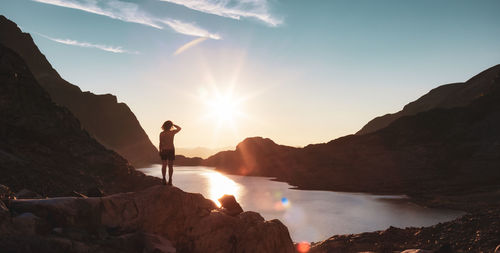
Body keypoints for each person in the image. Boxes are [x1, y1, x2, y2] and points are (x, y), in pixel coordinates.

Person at [159, 120, 181, 185]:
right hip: (171, 150)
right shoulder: (172, 132)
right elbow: (179, 128)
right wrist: (173, 124)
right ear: (170, 126)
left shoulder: (162, 133)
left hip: (164, 150)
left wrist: (160, 150)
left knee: (164, 165)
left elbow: (160, 143)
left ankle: (163, 179)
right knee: (170, 166)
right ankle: (170, 180)